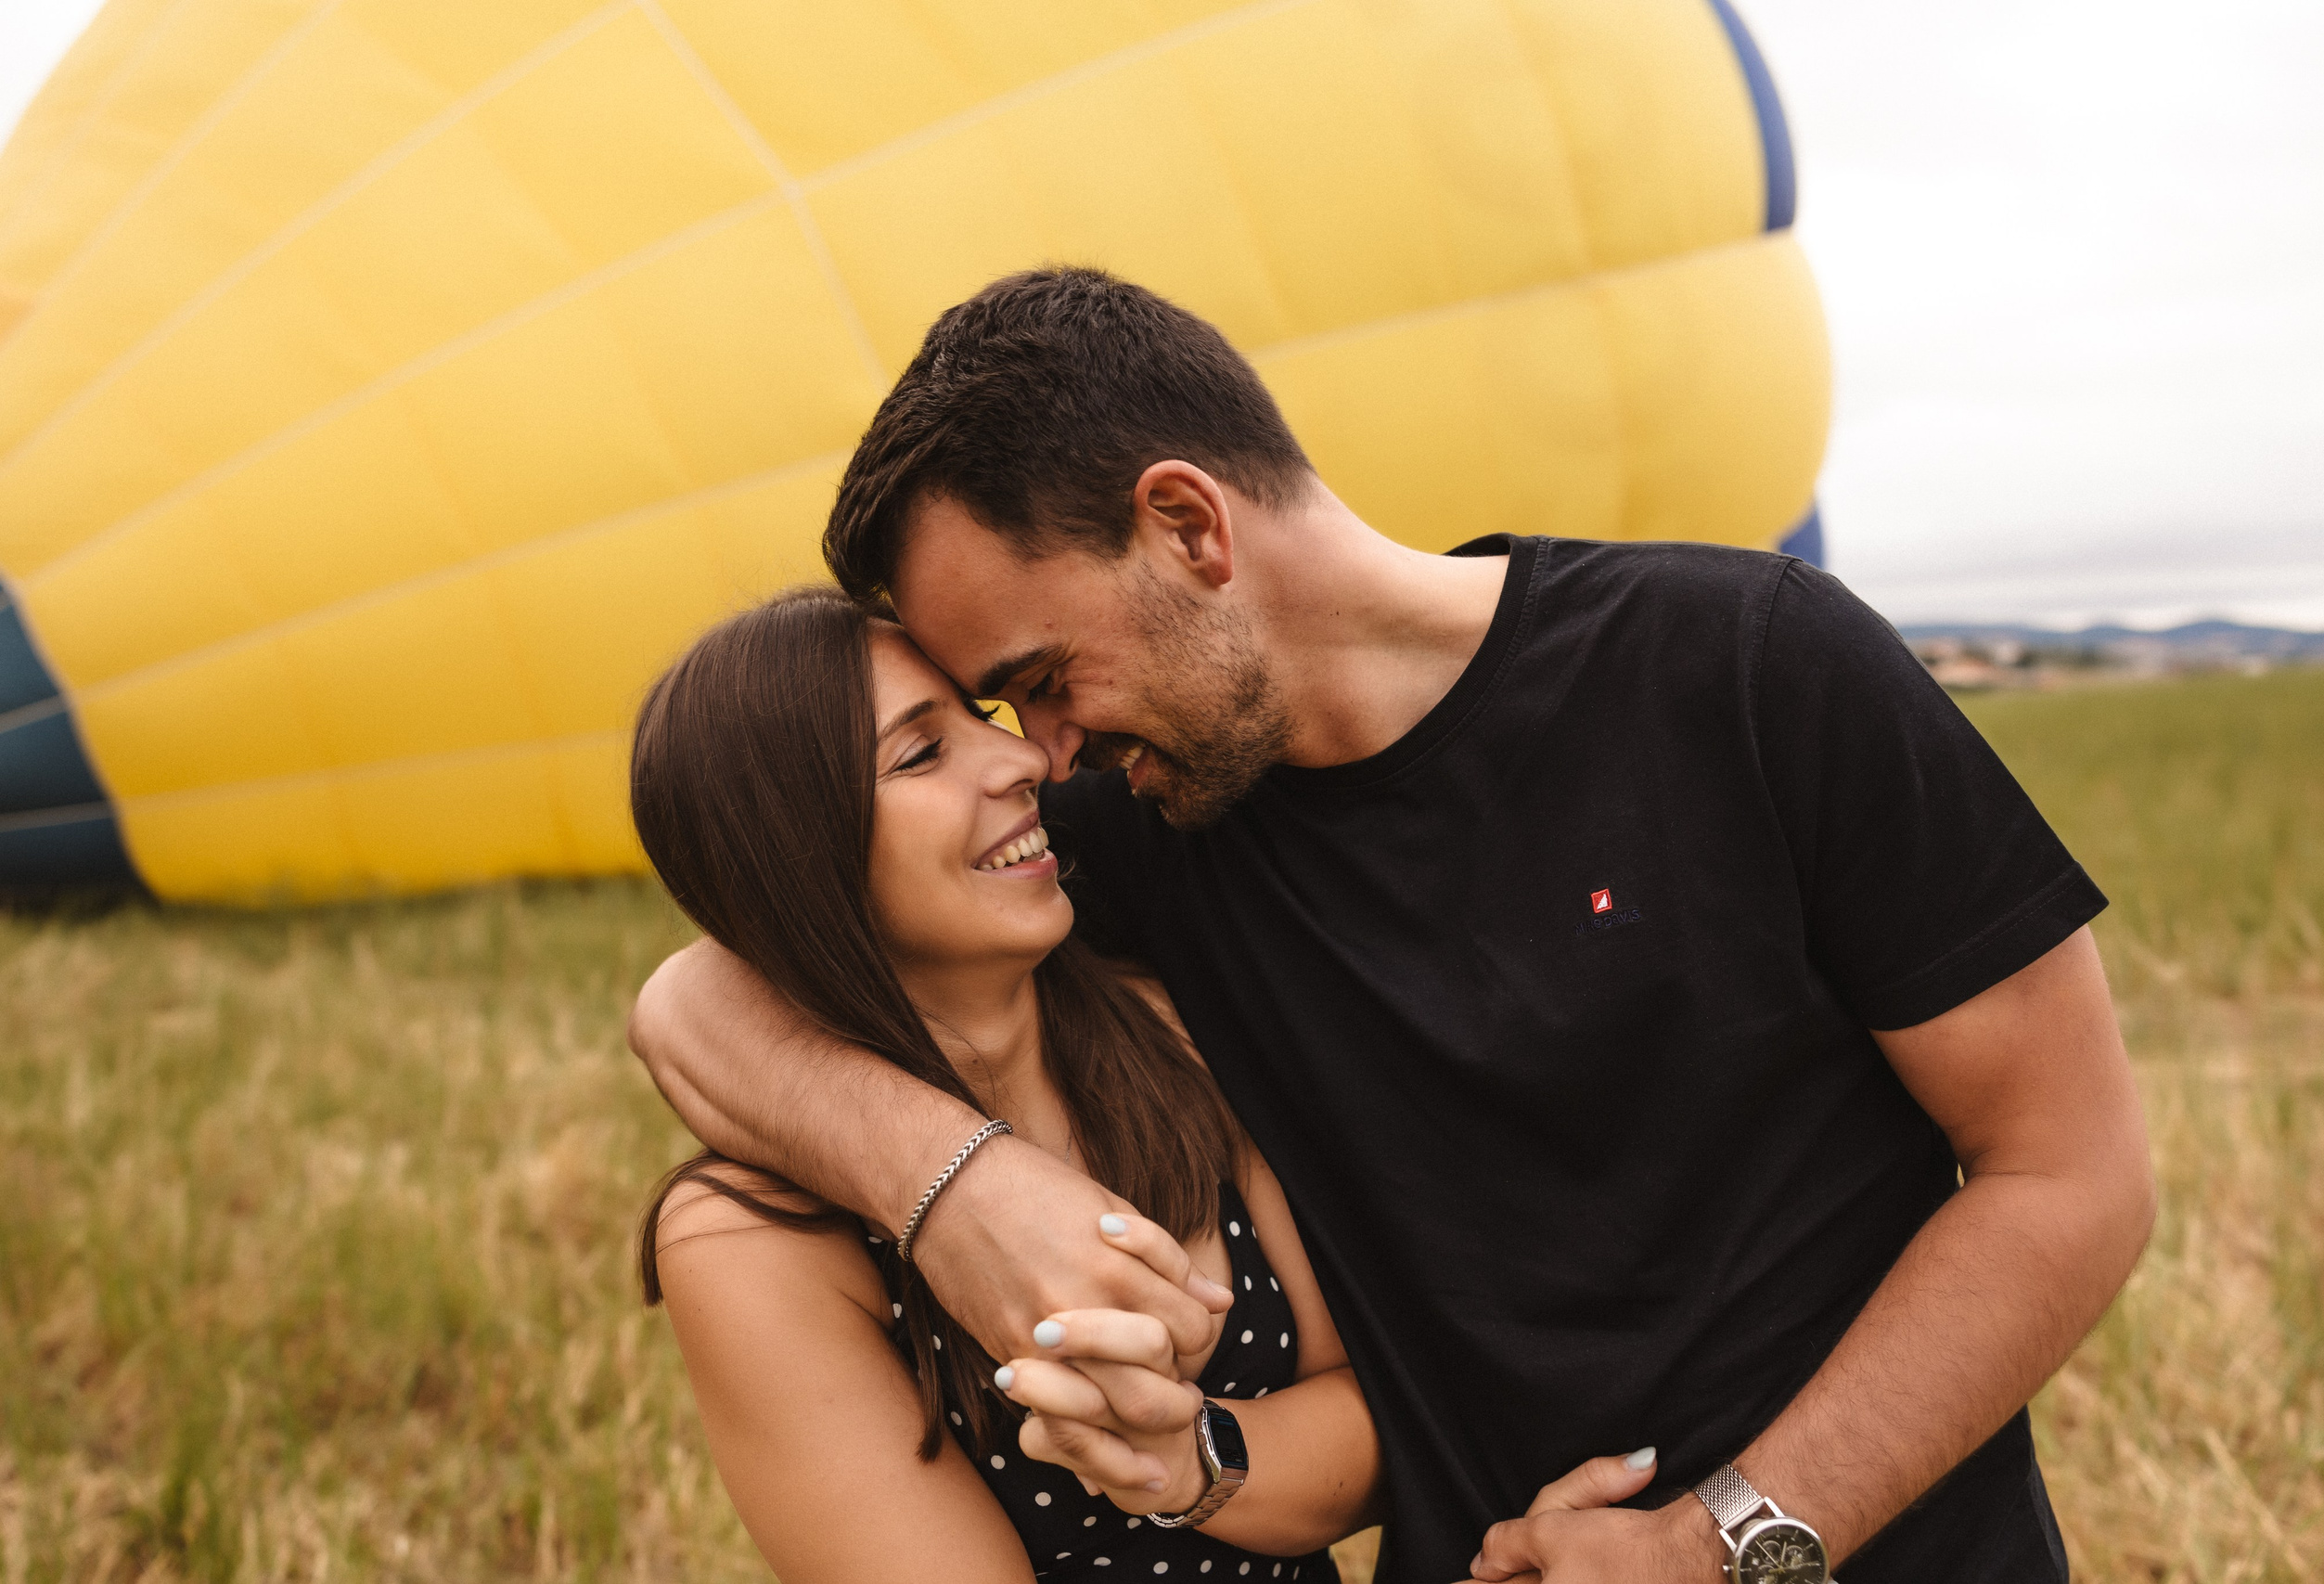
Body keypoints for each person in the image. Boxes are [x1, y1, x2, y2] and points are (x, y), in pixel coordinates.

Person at [632, 269, 2157, 1584]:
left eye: (1041, 676)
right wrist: (955, 1192)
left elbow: (2070, 1175)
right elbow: (711, 986)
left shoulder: (1750, 666)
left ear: (1188, 528)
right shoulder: (1154, 814)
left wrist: (1718, 1539)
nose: (1036, 749)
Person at [627, 586, 1434, 1578]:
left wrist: (1192, 1460)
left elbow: (1374, 1422)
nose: (1022, 762)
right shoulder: (749, 1239)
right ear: (798, 861)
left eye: (985, 720)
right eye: (922, 753)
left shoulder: (1166, 1027)